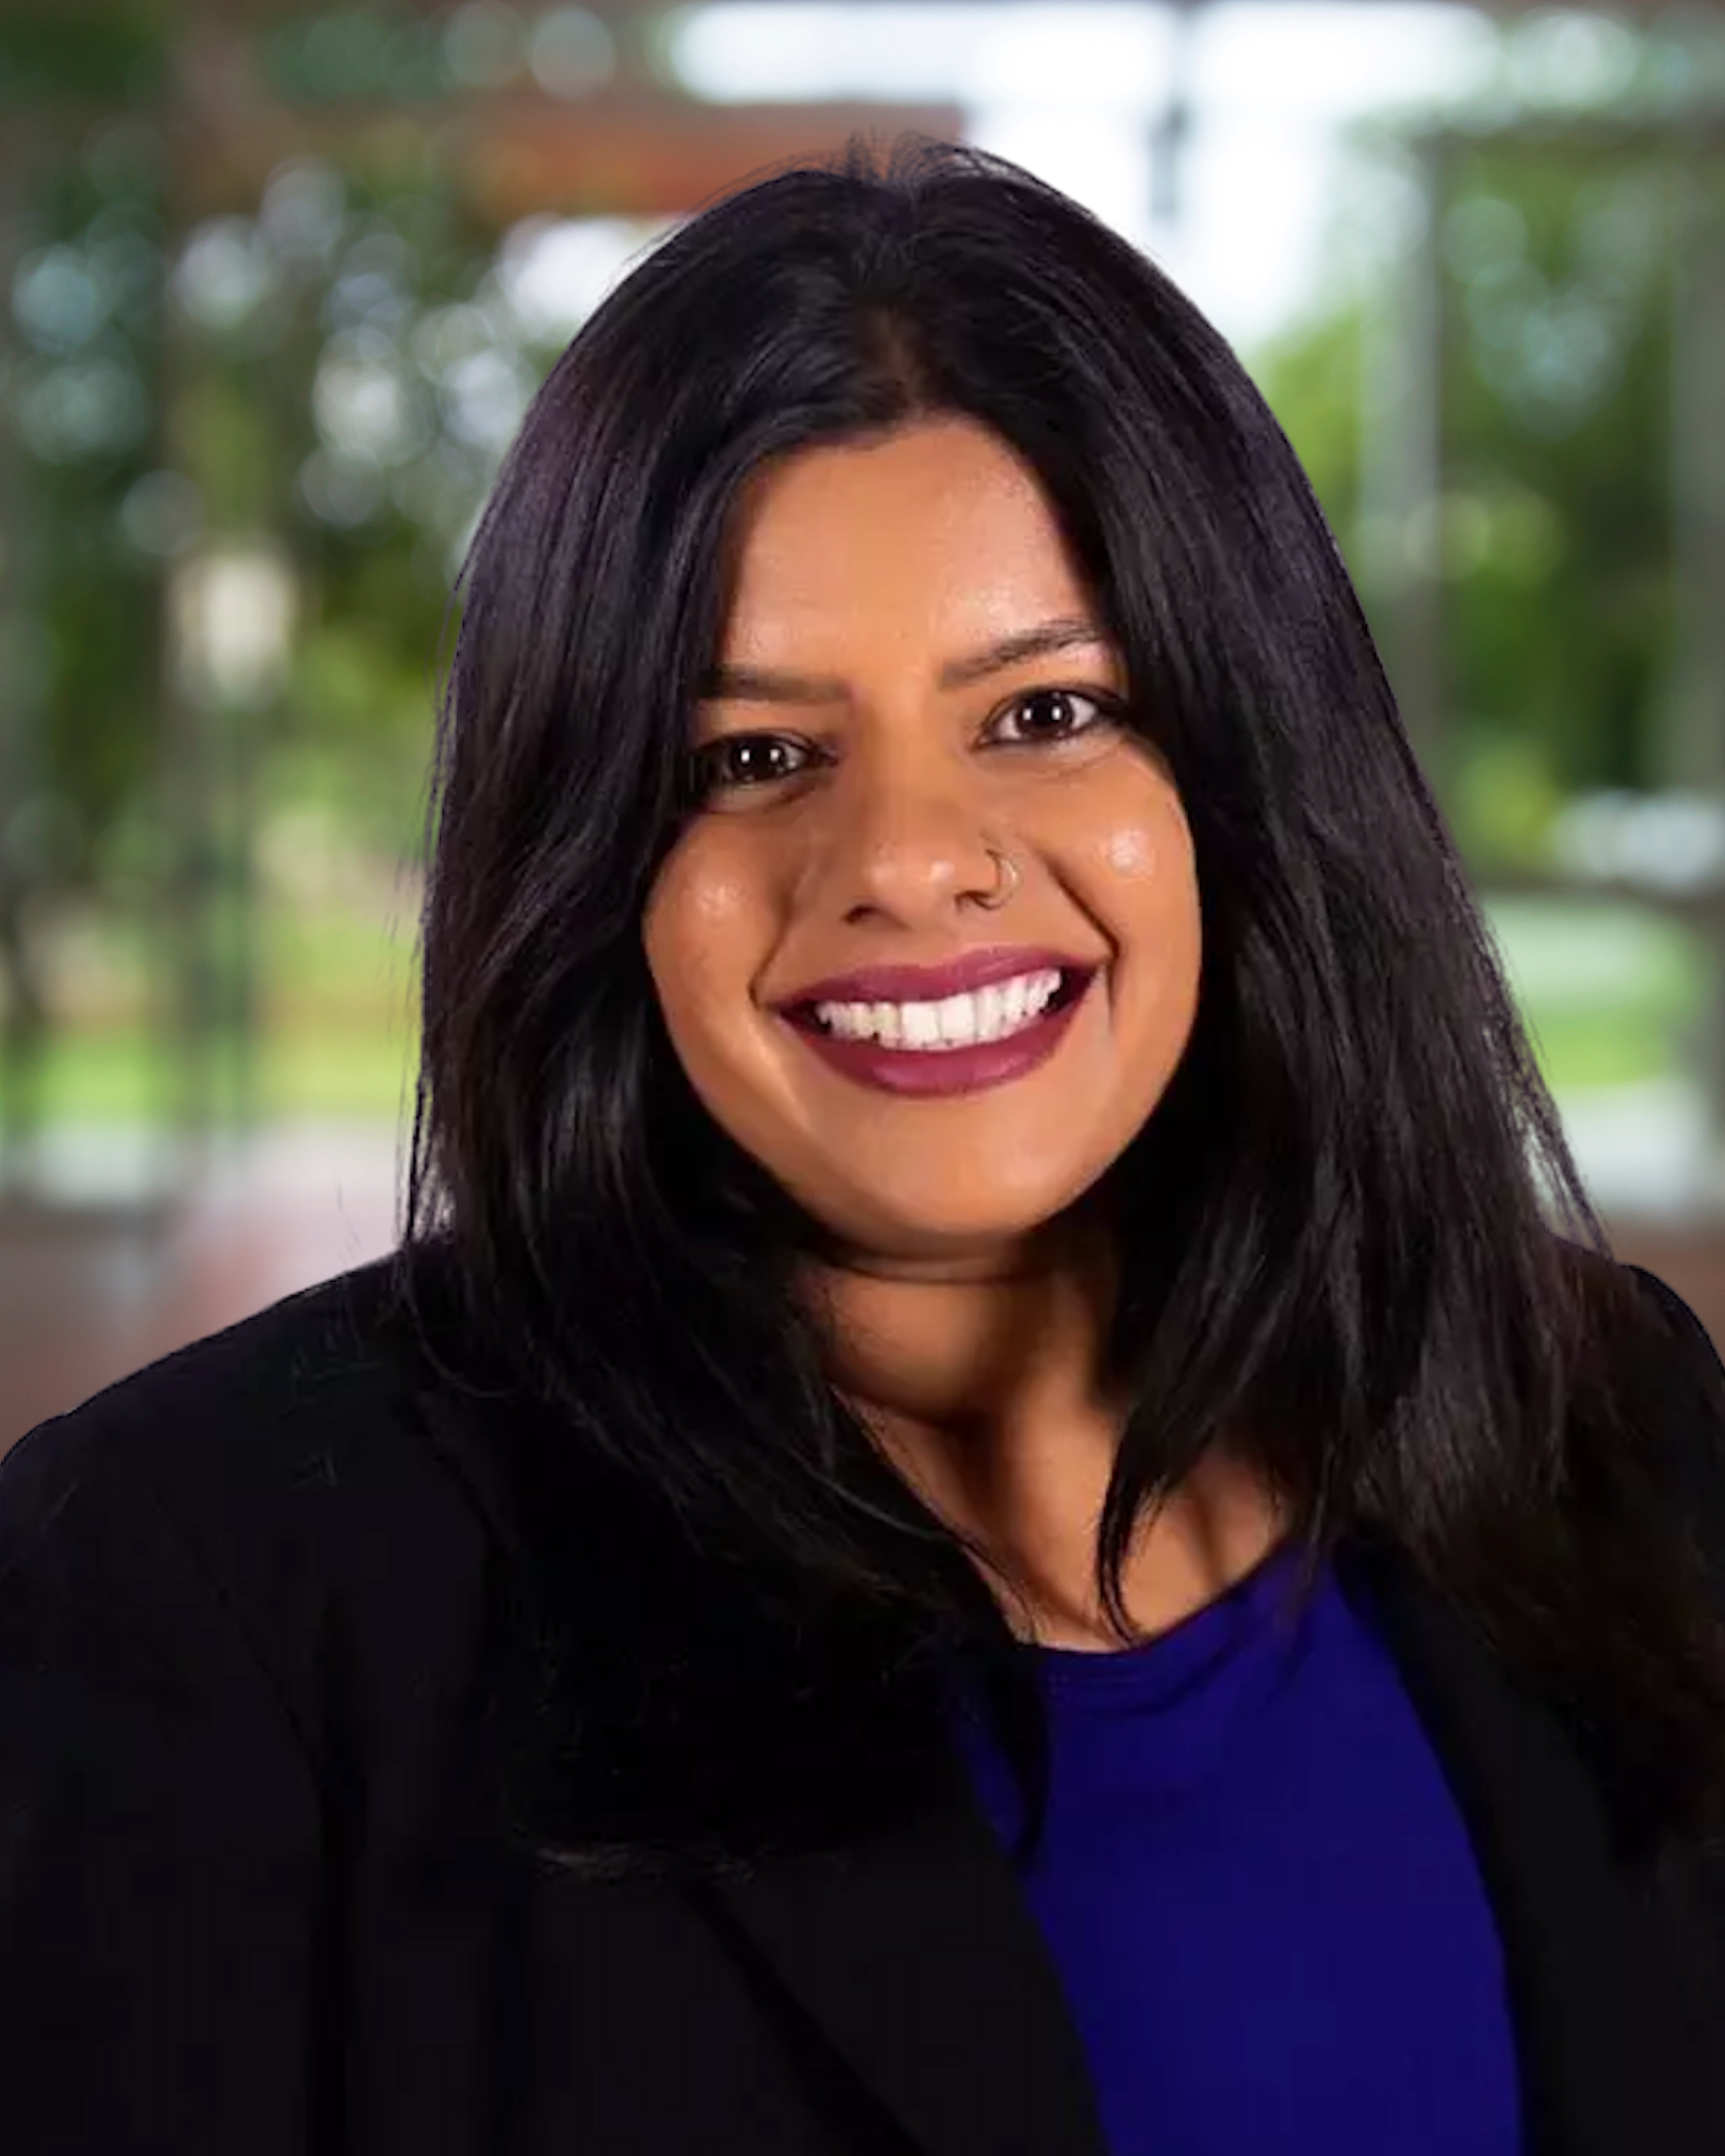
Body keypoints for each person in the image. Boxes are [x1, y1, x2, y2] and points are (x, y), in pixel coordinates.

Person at [2, 135, 1724, 2156]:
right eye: (751, 758)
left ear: (1251, 775)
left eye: (1045, 711)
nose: (906, 860)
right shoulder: (203, 1599)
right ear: (589, 857)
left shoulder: (1613, 1428)